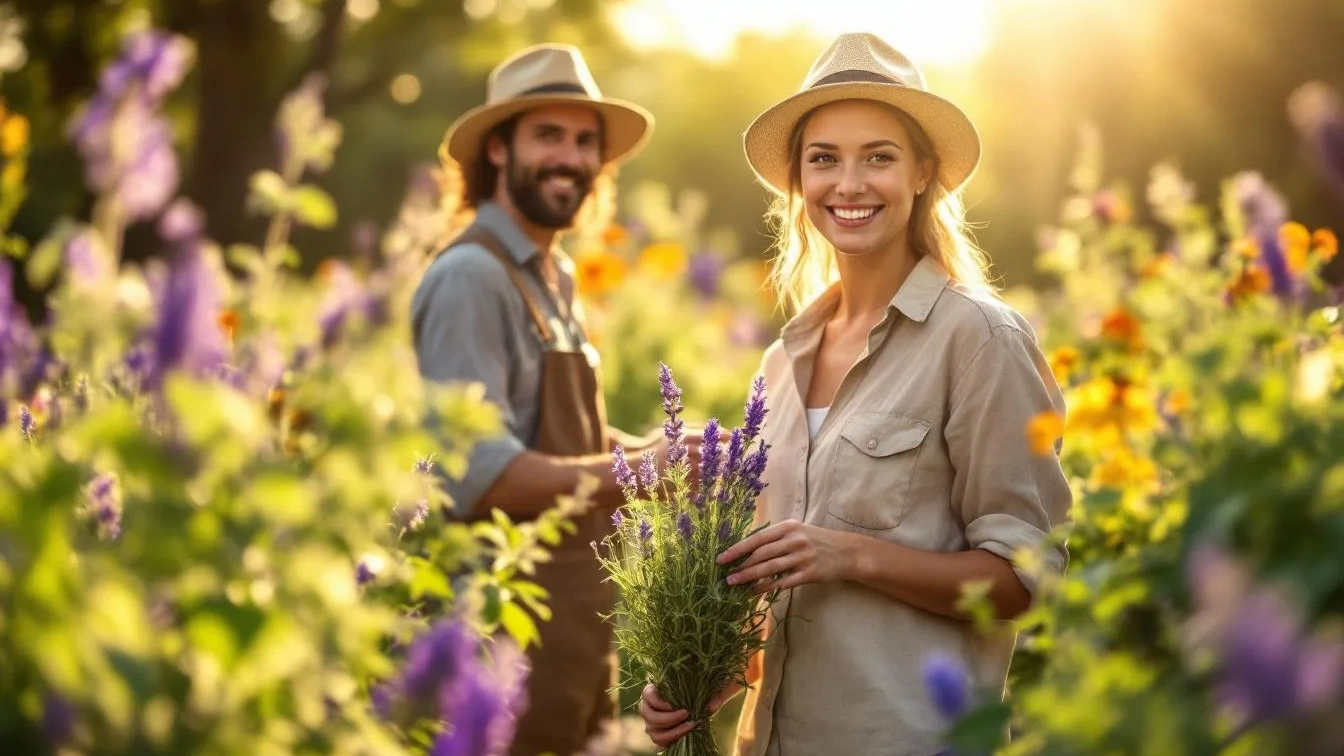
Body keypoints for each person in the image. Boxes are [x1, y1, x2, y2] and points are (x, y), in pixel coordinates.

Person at [639, 32, 1072, 755]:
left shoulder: (981, 341)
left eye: (879, 156)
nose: (849, 184)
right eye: (823, 159)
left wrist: (851, 555)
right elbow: (780, 591)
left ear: (923, 173)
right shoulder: (784, 360)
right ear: (797, 183)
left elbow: (1028, 583)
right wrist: (706, 673)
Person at [411, 43, 692, 756]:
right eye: (548, 135)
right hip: (496, 640)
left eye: (584, 140)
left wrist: (676, 455)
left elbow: (563, 441)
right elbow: (480, 471)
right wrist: (636, 473)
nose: (569, 156)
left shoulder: (554, 276)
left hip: (572, 636)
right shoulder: (472, 276)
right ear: (498, 151)